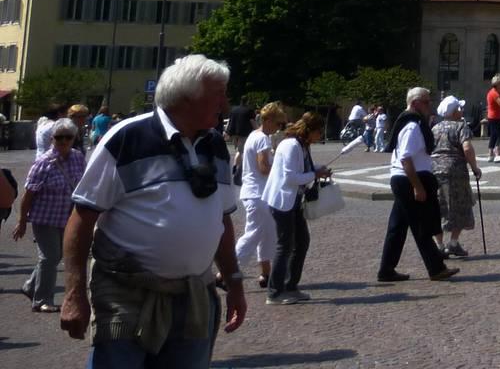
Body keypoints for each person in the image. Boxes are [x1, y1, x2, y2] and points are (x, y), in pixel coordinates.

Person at [60, 54, 248, 362]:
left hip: (193, 295)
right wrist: (73, 293)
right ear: (188, 97)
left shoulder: (215, 145)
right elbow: (82, 217)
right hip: (126, 294)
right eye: (218, 94)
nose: (225, 104)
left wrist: (234, 281)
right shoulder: (127, 138)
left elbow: (221, 220)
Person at [378, 86, 457, 283]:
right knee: (420, 226)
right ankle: (436, 268)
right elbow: (405, 158)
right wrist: (417, 186)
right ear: (415, 103)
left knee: (397, 226)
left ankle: (386, 270)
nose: (430, 106)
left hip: (404, 178)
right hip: (408, 180)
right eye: (426, 102)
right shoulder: (413, 125)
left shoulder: (412, 123)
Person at [12, 118, 87, 312]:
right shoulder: (44, 162)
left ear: (74, 138)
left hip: (67, 216)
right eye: (59, 137)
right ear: (52, 139)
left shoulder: (78, 157)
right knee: (50, 257)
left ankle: (30, 286)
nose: (63, 141)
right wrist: (22, 221)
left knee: (56, 255)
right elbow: (28, 194)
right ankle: (42, 300)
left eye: (68, 137)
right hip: (44, 217)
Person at [263, 111, 330, 304]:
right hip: (283, 201)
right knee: (285, 245)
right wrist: (315, 175)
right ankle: (275, 292)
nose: (320, 137)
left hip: (293, 201)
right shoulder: (292, 145)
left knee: (301, 242)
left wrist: (317, 169)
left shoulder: (301, 145)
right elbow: (291, 177)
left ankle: (290, 286)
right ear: (310, 130)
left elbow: (302, 169)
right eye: (319, 132)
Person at [235, 102, 285, 290]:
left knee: (266, 233)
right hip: (259, 193)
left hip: (254, 192)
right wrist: (281, 172)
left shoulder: (252, 136)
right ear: (268, 120)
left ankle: (266, 272)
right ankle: (225, 272)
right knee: (254, 233)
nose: (279, 127)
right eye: (278, 123)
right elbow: (264, 167)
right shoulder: (263, 139)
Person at [431, 96, 482, 259]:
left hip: (434, 169)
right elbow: (467, 148)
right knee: (460, 204)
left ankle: (438, 245)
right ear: (453, 112)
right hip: (455, 171)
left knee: (439, 207)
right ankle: (453, 243)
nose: (462, 111)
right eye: (459, 108)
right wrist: (475, 168)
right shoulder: (461, 127)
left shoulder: (435, 128)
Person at [485, 75, 500, 163]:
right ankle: (497, 153)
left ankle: (490, 154)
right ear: (497, 84)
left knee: (494, 135)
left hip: (496, 116)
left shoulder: (496, 91)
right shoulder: (494, 93)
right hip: (494, 117)